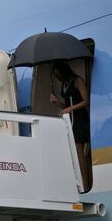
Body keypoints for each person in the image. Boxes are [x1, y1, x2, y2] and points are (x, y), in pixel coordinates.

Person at [50, 61, 91, 191]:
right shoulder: (65, 83)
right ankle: (80, 182)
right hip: (70, 119)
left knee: (79, 152)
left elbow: (86, 101)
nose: (58, 76)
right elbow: (67, 105)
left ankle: (85, 184)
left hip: (79, 119)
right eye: (55, 75)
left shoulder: (77, 80)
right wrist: (57, 103)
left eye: (58, 73)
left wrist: (70, 109)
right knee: (75, 152)